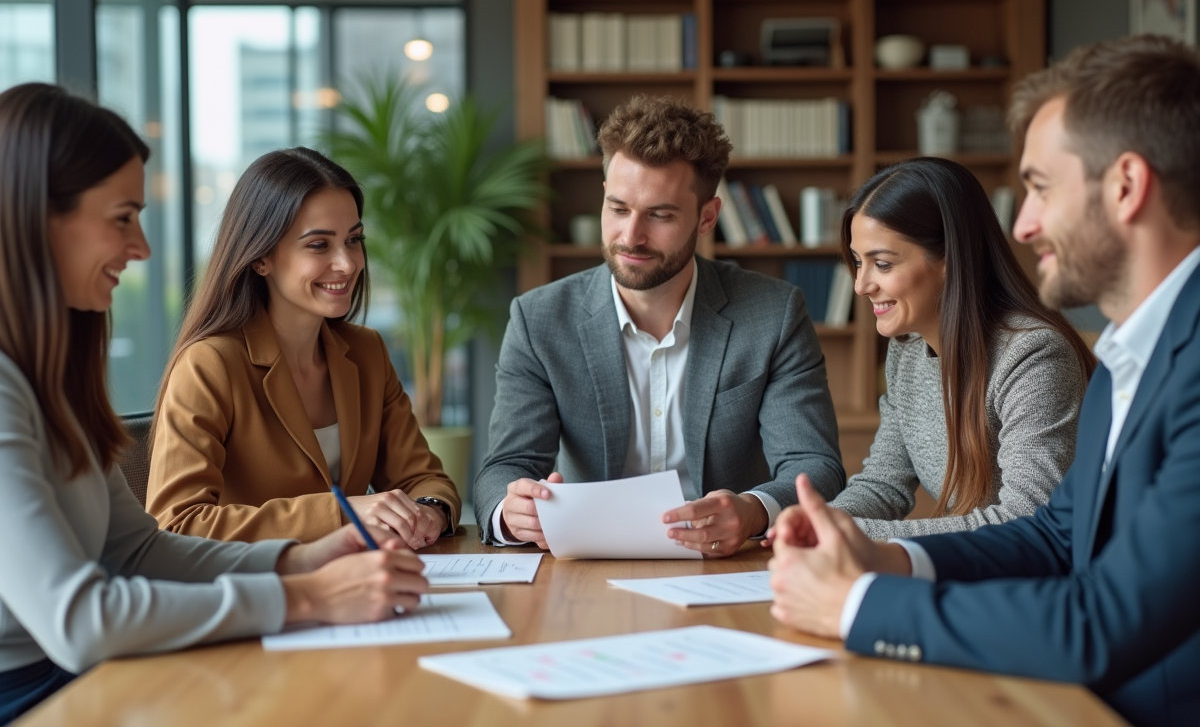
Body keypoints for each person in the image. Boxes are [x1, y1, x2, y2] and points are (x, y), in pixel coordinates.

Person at [767, 35, 1200, 727]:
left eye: (1039, 188)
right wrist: (884, 554)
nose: (1023, 225)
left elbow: (1102, 619)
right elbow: (1055, 538)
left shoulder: (1152, 360)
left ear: (1125, 185)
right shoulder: (1129, 353)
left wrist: (856, 603)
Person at [0, 83, 427, 725]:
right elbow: (81, 621)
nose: (141, 247)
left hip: (87, 675)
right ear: (36, 217)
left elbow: (138, 552)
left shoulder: (49, 375)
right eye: (122, 218)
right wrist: (304, 596)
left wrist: (301, 557)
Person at [474, 95, 845, 556]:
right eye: (618, 208)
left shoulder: (774, 313)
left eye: (660, 215)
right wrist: (511, 513)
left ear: (707, 217)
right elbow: (505, 468)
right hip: (588, 566)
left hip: (725, 565)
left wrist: (753, 509)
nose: (631, 237)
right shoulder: (539, 319)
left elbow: (815, 466)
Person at [146, 148, 460, 547]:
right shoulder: (210, 365)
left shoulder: (366, 353)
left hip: (362, 587)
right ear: (261, 258)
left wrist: (428, 511)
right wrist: (343, 514)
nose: (347, 263)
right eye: (318, 245)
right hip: (258, 596)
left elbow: (422, 478)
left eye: (354, 240)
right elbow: (177, 523)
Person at [814, 157, 1094, 539]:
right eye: (858, 262)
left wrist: (857, 536)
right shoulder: (907, 352)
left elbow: (1027, 520)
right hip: (975, 574)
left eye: (881, 264)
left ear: (949, 259)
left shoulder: (1034, 356)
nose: (861, 285)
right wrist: (819, 523)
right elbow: (883, 484)